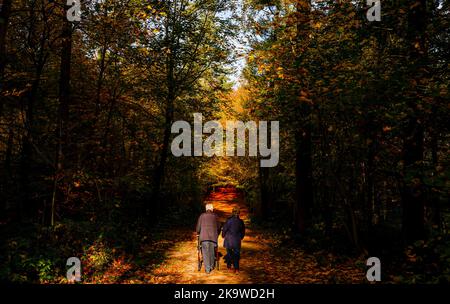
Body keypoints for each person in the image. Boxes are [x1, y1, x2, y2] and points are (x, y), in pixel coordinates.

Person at [196, 203, 220, 274]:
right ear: (212, 209)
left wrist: (198, 232)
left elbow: (198, 228)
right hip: (213, 237)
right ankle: (212, 266)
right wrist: (217, 234)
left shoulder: (202, 216)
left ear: (206, 209)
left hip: (204, 237)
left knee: (205, 253)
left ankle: (207, 269)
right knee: (212, 251)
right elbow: (219, 227)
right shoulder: (215, 216)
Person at [222, 206, 245, 273]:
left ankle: (229, 266)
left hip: (229, 240)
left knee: (229, 253)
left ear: (232, 212)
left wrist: (223, 235)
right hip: (237, 241)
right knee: (237, 254)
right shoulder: (241, 222)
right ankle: (236, 269)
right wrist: (241, 237)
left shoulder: (228, 220)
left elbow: (224, 229)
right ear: (239, 213)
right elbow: (243, 231)